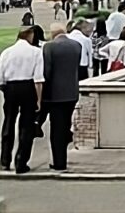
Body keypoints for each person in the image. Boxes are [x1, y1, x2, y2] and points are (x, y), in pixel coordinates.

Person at [0, 27, 44, 174]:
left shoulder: (6, 52)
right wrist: (38, 99)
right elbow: (38, 78)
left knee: (8, 122)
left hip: (11, 86)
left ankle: (4, 160)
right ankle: (21, 162)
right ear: (29, 35)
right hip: (28, 86)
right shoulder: (36, 52)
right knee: (26, 125)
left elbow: (1, 78)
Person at [42, 22, 81, 171]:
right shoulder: (76, 46)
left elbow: (47, 71)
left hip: (55, 95)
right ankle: (65, 147)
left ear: (53, 33)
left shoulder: (49, 47)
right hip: (71, 93)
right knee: (65, 125)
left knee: (56, 130)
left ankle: (59, 161)